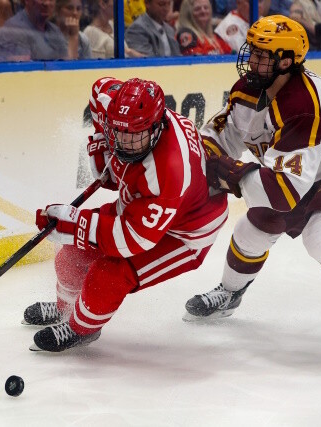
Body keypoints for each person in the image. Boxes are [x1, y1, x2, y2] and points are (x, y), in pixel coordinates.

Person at [184, 15, 321, 368]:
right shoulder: (247, 90)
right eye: (253, 51)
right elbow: (219, 138)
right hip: (306, 171)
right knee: (251, 229)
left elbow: (283, 193)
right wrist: (204, 154)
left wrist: (232, 172)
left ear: (286, 61)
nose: (252, 59)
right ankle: (230, 293)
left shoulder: (303, 103)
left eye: (262, 55)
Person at [23, 77, 229, 352]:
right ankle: (67, 309)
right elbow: (99, 90)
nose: (124, 142)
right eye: (118, 132)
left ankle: (80, 328)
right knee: (71, 256)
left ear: (156, 128)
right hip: (145, 208)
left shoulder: (169, 171)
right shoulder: (126, 113)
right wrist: (99, 140)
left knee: (109, 274)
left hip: (186, 230)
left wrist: (74, 225)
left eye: (134, 135)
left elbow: (131, 240)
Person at [0, 0, 69, 60]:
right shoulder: (14, 29)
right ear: (27, 0)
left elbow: (68, 65)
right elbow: (24, 71)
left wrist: (74, 36)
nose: (47, 3)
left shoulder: (54, 30)